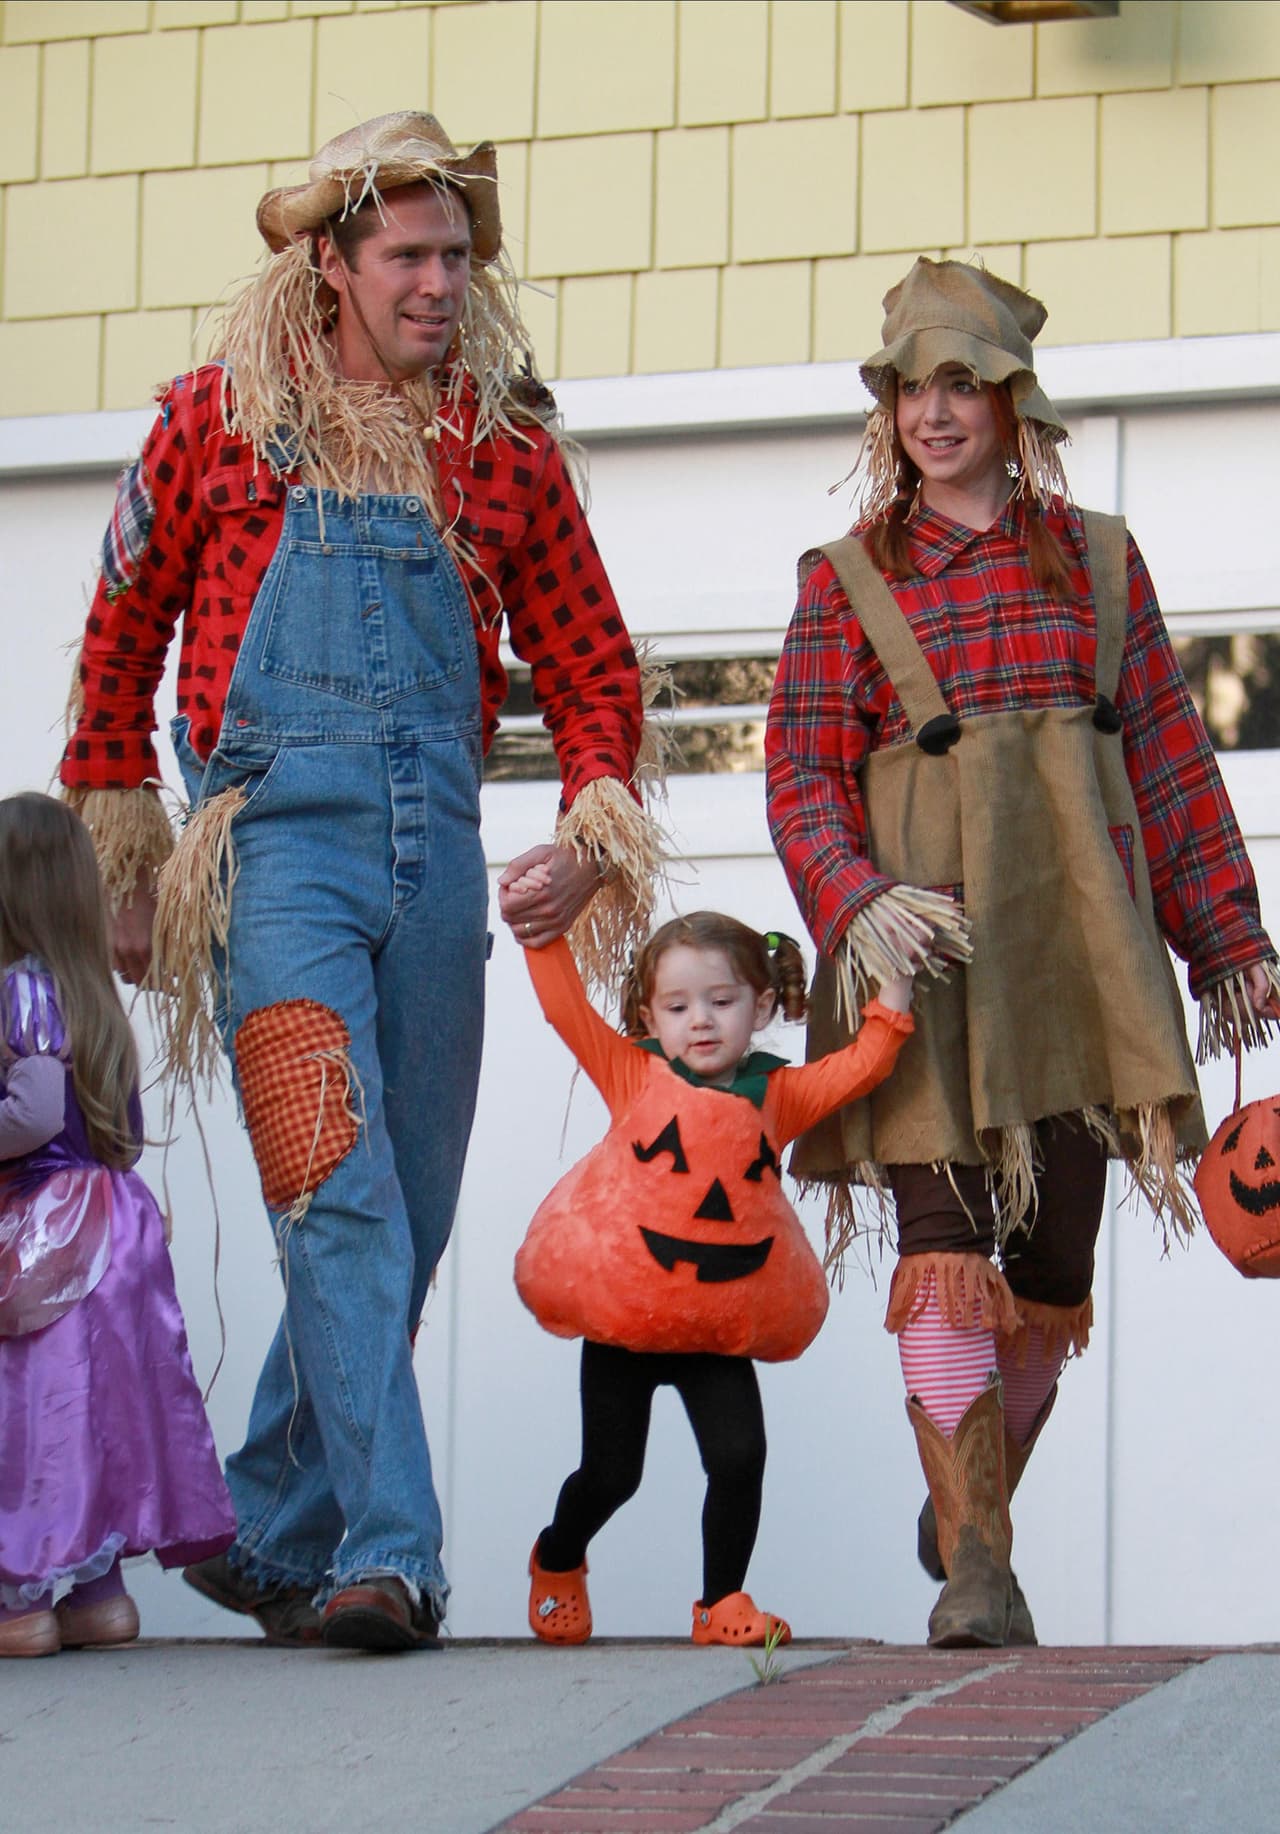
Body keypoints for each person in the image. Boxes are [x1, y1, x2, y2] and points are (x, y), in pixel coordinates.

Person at [58, 113, 661, 1653]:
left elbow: (593, 658)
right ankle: (391, 1553)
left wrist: (592, 838)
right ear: (331, 260)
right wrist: (126, 872)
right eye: (410, 254)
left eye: (459, 255)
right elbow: (116, 648)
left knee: (416, 1206)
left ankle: (263, 1515)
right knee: (331, 1187)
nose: (442, 282)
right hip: (272, 860)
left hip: (438, 861)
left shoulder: (502, 442)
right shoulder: (217, 418)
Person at [764, 258, 1280, 1650]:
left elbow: (1169, 760)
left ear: (1010, 401)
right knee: (942, 1253)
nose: (935, 413)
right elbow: (801, 773)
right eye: (911, 387)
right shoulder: (846, 582)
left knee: (1049, 1271)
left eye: (962, 384)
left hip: (1075, 961)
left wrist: (1227, 938)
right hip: (924, 970)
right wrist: (858, 894)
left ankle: (963, 1499)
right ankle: (978, 1563)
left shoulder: (1103, 561)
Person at [506, 893, 913, 1644]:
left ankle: (720, 1602)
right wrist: (542, 933)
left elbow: (863, 1067)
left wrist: (897, 983)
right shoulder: (633, 1077)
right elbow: (568, 1014)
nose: (700, 1020)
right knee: (612, 1475)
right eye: (679, 1005)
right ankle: (558, 1555)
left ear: (759, 1007)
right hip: (626, 1326)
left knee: (740, 1456)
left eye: (721, 1001)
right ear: (650, 1017)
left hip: (715, 1324)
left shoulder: (775, 1095)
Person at [0, 794, 235, 1659]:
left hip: (46, 1228)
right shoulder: (88, 991)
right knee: (100, 1405)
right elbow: (124, 1134)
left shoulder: (15, 990)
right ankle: (99, 1598)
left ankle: (17, 1601)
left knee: (31, 1409)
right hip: (114, 1218)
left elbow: (29, 1114)